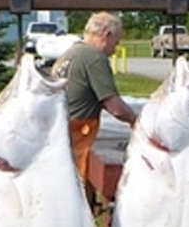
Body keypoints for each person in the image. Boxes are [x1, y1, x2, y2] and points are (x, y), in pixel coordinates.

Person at [52, 11, 138, 196]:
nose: (115, 50)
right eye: (115, 43)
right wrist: (137, 121)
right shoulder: (94, 57)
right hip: (77, 138)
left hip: (59, 136)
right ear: (106, 35)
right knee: (75, 197)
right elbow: (114, 107)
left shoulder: (69, 55)